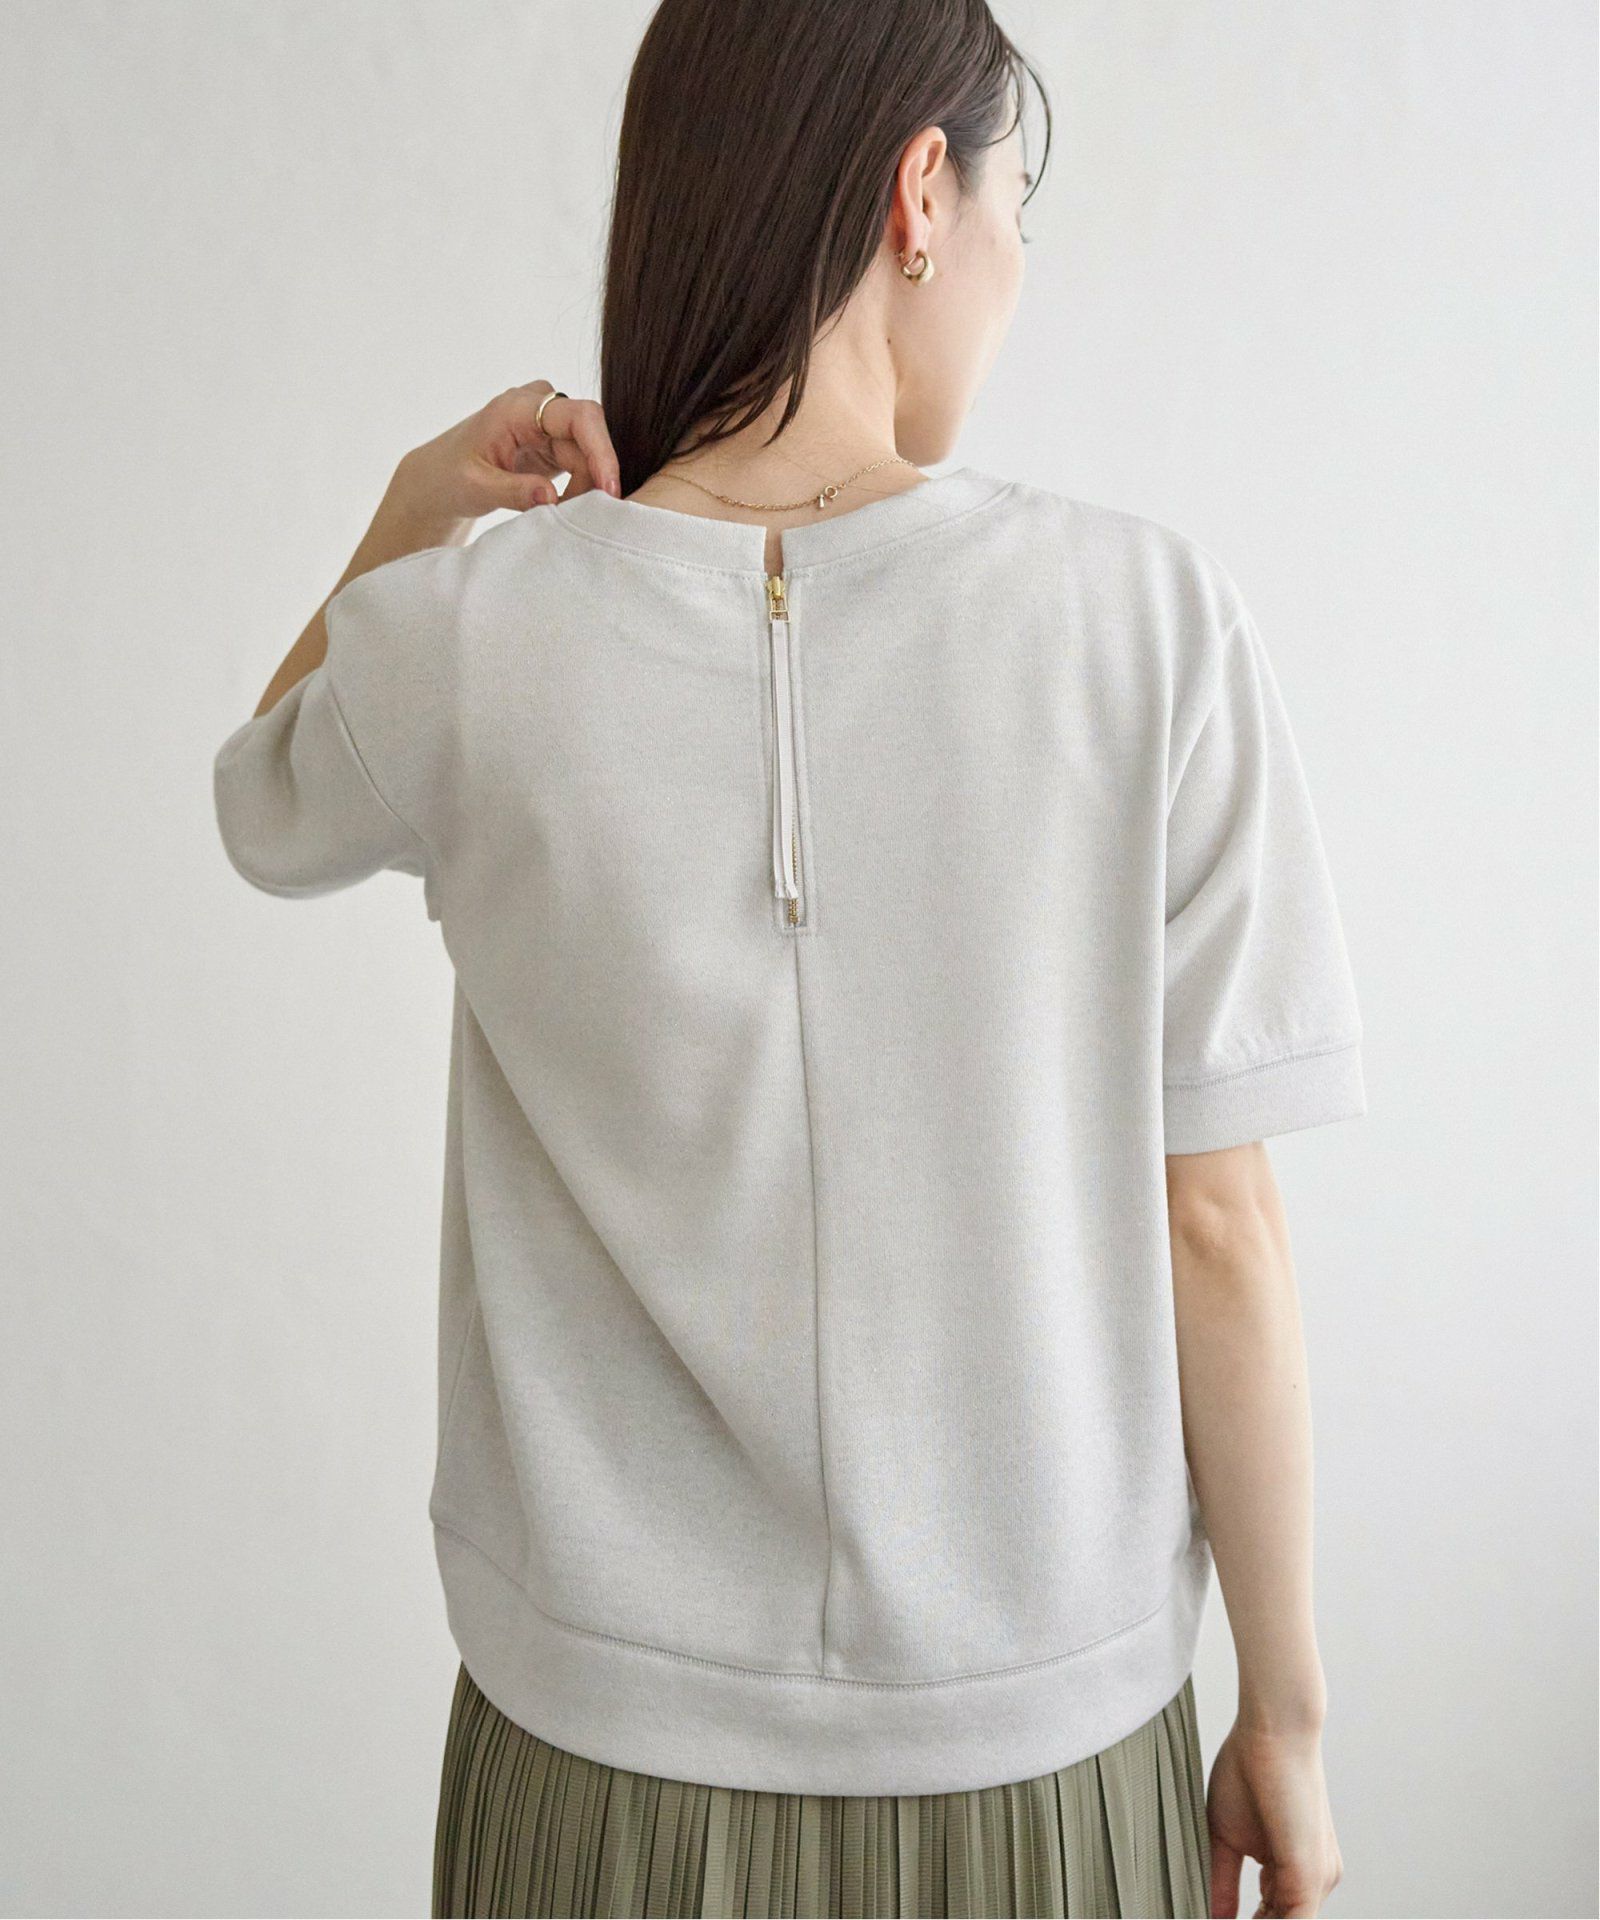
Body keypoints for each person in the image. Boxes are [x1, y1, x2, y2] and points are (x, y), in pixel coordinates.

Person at [211, 1, 1365, 1915]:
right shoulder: (1149, 622)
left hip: (596, 1771)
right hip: (1041, 1760)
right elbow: (1218, 1224)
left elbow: (265, 804)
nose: (1014, 267)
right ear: (922, 194)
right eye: (1014, 207)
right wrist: (1290, 1720)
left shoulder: (474, 640)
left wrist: (410, 518)